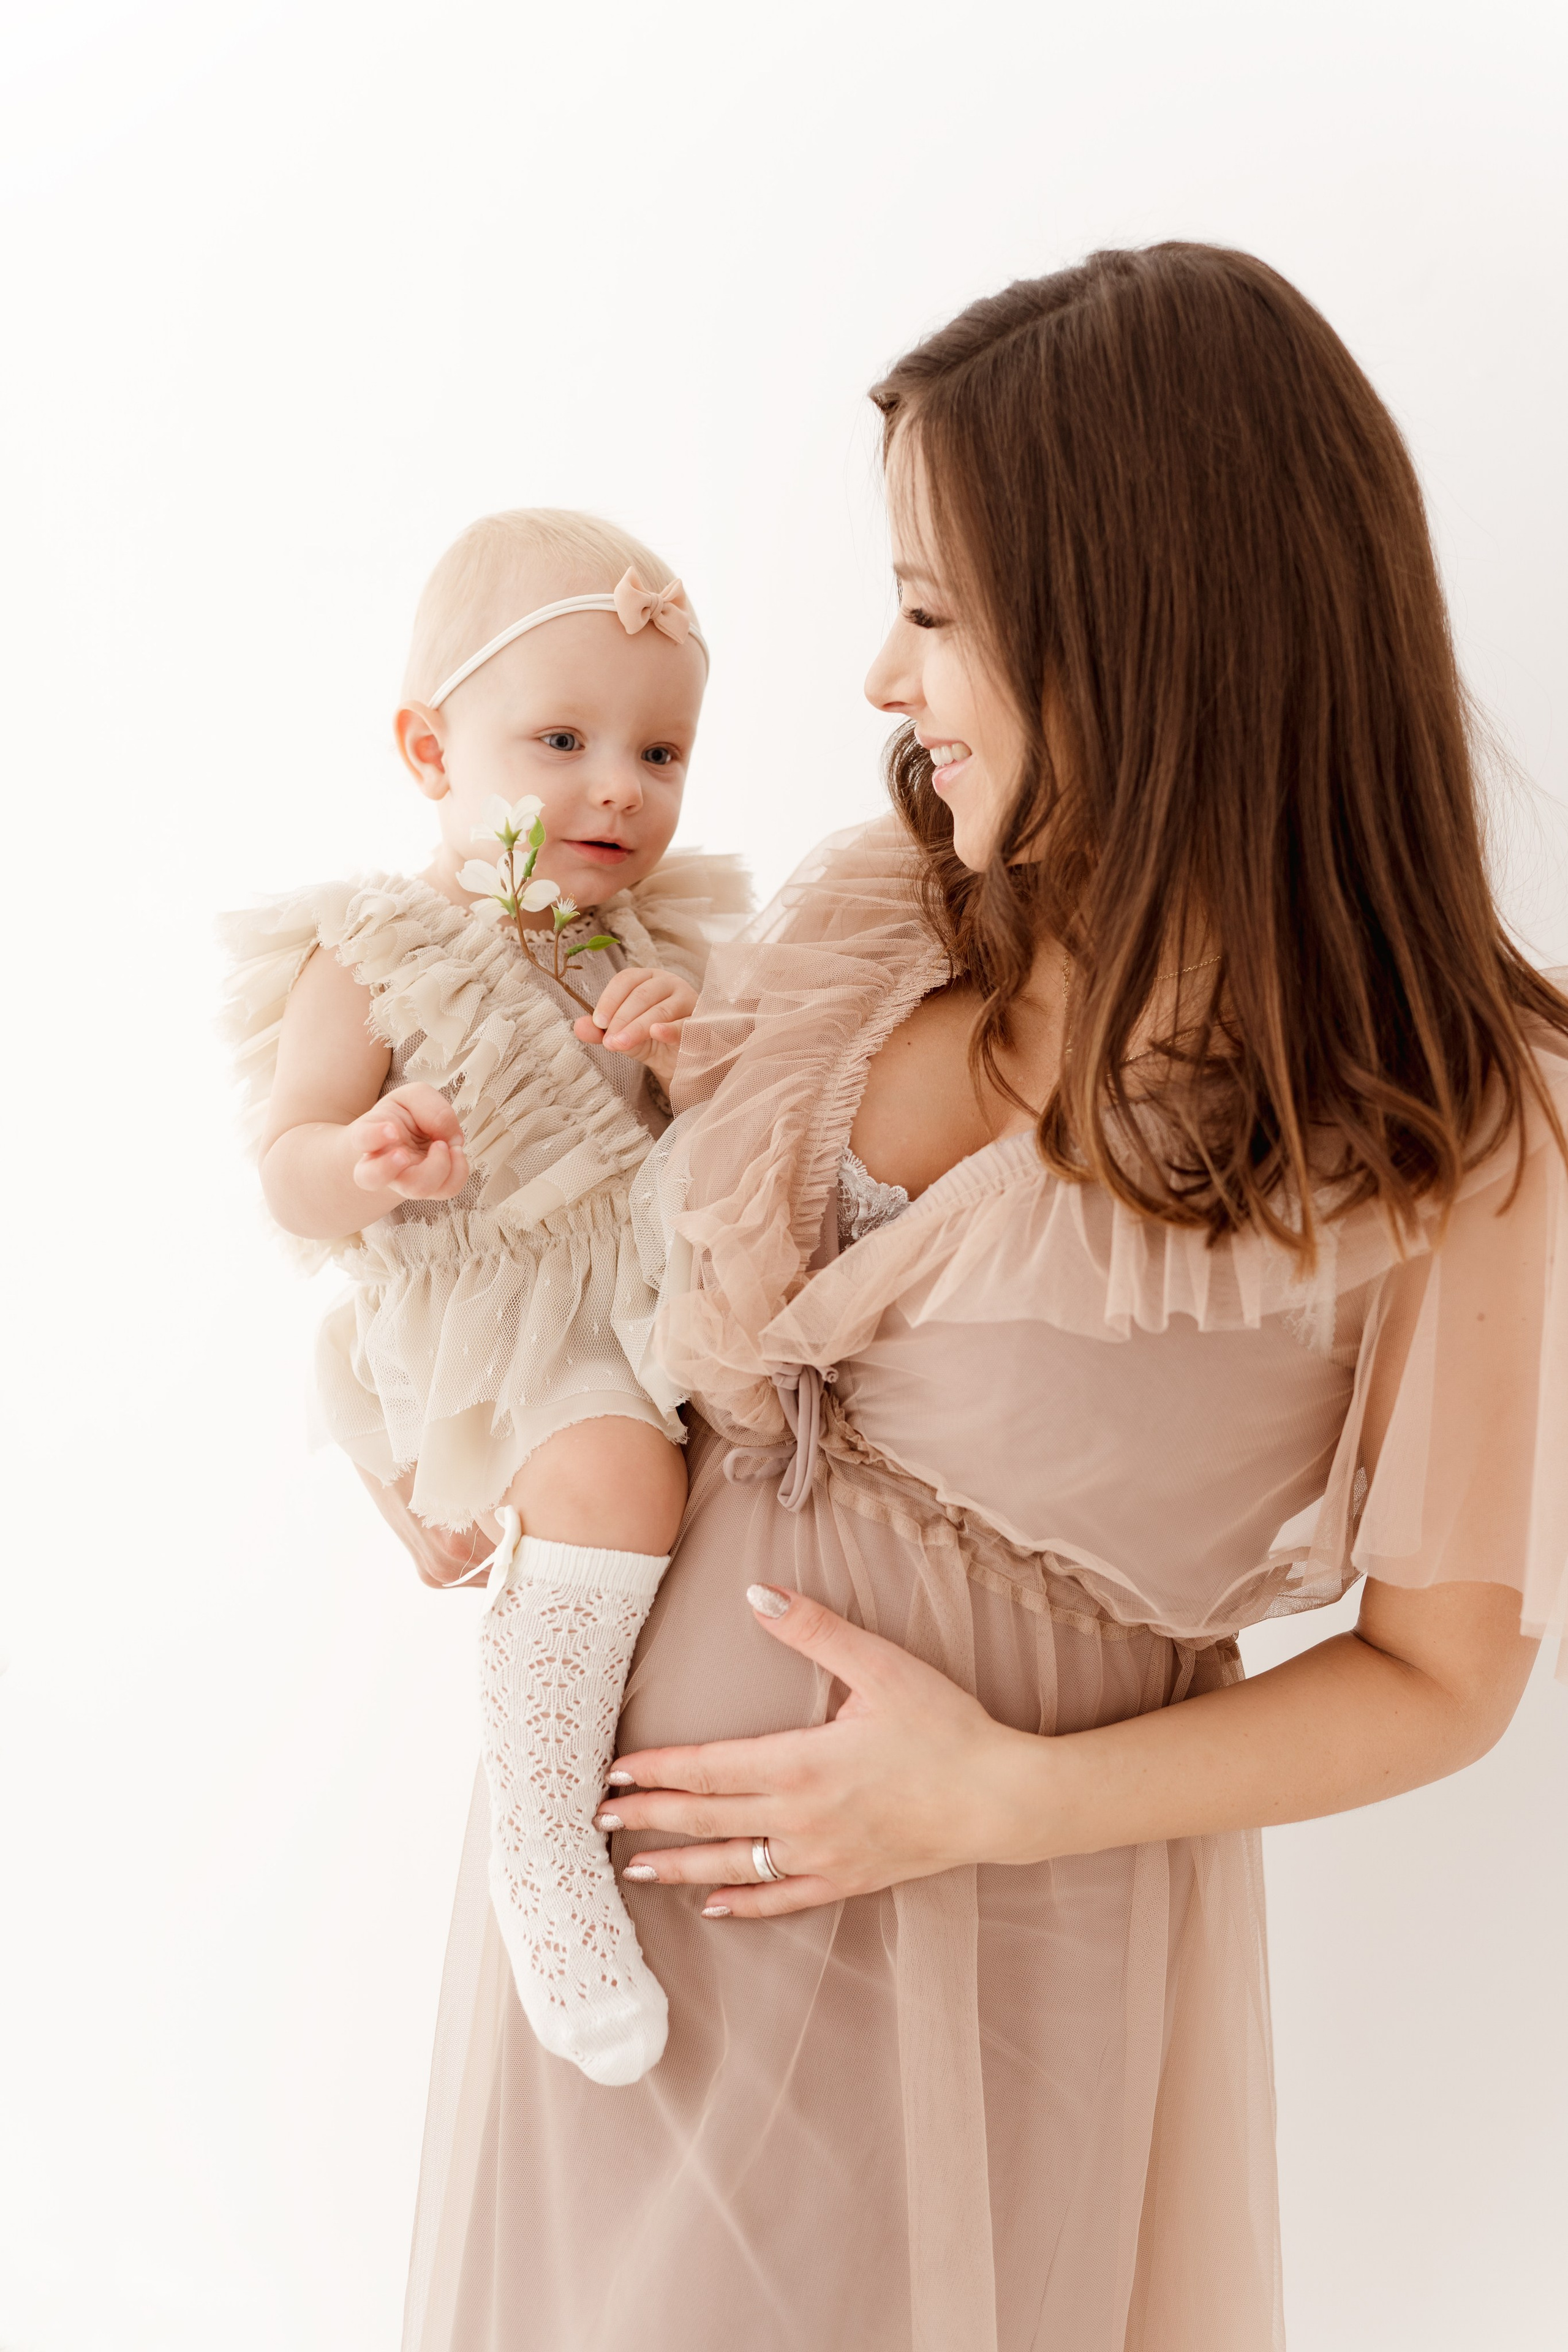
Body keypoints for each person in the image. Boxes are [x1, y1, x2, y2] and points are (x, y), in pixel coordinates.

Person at [390, 252, 1568, 2351]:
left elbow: (1446, 1676)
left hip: (994, 1940)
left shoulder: (1442, 1119)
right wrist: (449, 1426)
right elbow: (616, 1294)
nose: (879, 678)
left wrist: (1004, 1797)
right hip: (618, 1923)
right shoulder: (884, 926)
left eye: (933, 611)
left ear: (1139, 618)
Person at [221, 507, 748, 2087]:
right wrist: (366, 1159)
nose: (619, 787)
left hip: (632, 1281)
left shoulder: (654, 946)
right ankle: (543, 1843)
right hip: (498, 1303)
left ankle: (373, 1413)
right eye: (564, 741)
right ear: (429, 751)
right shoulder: (378, 950)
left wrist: (686, 1059)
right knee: (620, 1479)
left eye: (660, 753)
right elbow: (286, 1166)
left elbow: (718, 1146)